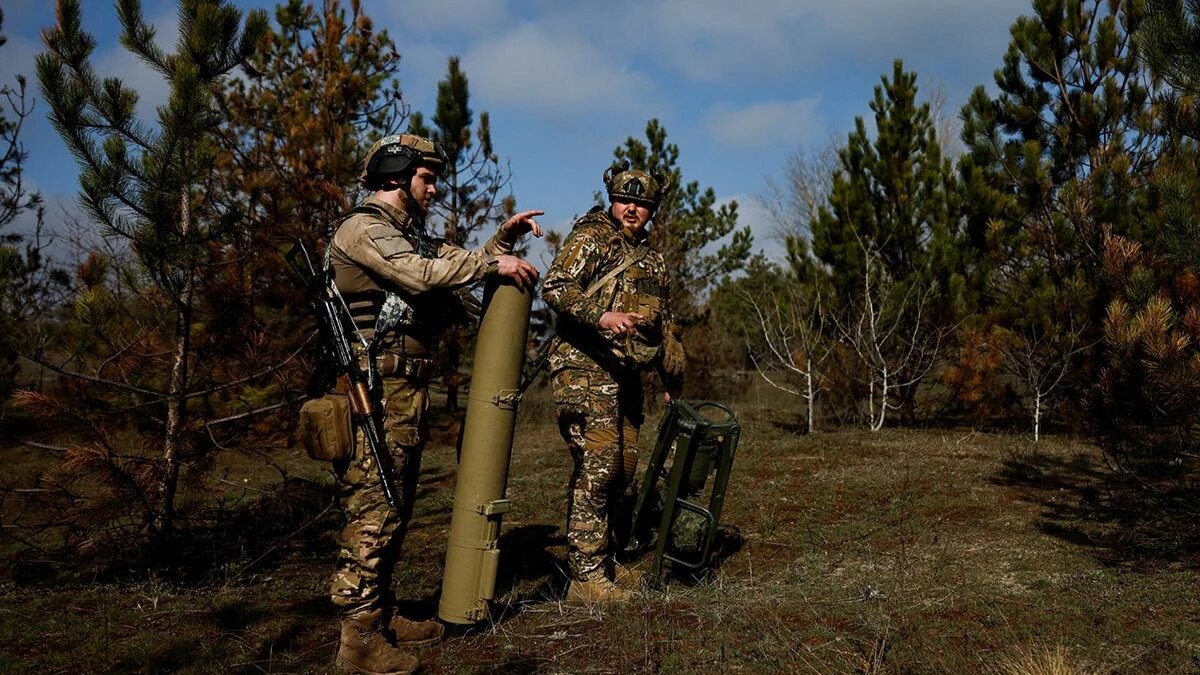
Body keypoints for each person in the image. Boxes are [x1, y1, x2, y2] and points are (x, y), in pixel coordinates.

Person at [326, 133, 541, 674]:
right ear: (397, 177)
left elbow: (455, 261)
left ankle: (382, 616)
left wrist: (500, 243)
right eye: (427, 177)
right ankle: (357, 643)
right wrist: (490, 266)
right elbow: (420, 275)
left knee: (395, 509)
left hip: (403, 394)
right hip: (373, 393)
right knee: (372, 514)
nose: (435, 187)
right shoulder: (363, 229)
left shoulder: (409, 234)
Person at [542, 163, 686, 604]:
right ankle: (585, 578)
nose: (632, 209)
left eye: (642, 204)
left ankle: (604, 561)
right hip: (583, 367)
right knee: (600, 464)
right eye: (626, 199)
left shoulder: (653, 259)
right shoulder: (592, 237)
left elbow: (663, 324)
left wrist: (671, 375)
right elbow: (556, 286)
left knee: (623, 470)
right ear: (612, 199)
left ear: (652, 210)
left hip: (624, 376)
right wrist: (601, 316)